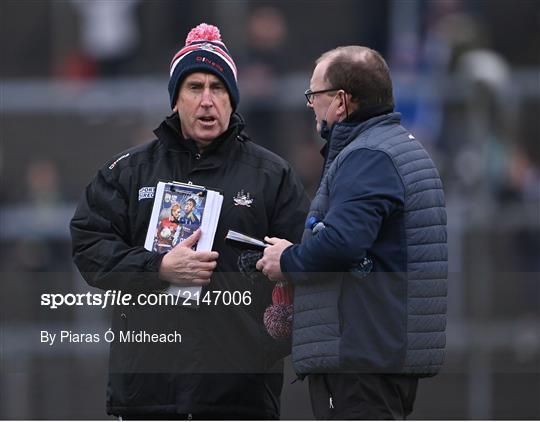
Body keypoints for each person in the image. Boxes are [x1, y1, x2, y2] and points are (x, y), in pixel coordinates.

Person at [70, 23, 309, 419]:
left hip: (239, 396)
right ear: (175, 99)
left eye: (218, 88)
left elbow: (307, 261)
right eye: (194, 87)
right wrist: (158, 267)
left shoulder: (272, 176)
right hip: (149, 394)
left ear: (233, 99)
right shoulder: (129, 172)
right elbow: (88, 244)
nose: (207, 100)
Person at [256, 46, 448, 420]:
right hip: (377, 354)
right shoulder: (392, 148)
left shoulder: (368, 155)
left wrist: (288, 260)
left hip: (360, 361)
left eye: (315, 95)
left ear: (341, 102)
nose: (310, 105)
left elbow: (344, 243)